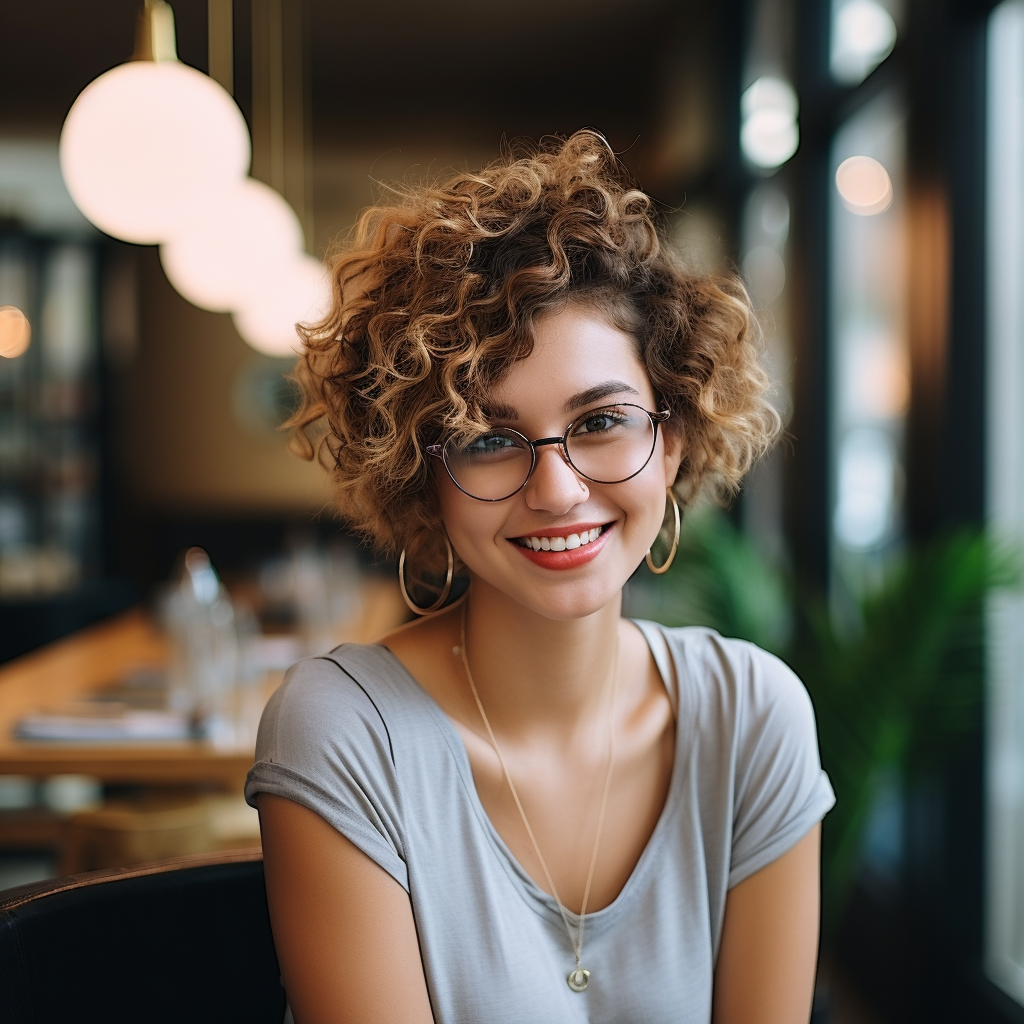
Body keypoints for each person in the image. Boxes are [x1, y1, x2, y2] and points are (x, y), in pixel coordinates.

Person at [245, 130, 835, 1024]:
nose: (558, 489)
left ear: (668, 442)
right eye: (487, 438)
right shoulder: (343, 732)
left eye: (601, 420)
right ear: (424, 472)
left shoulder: (755, 717)